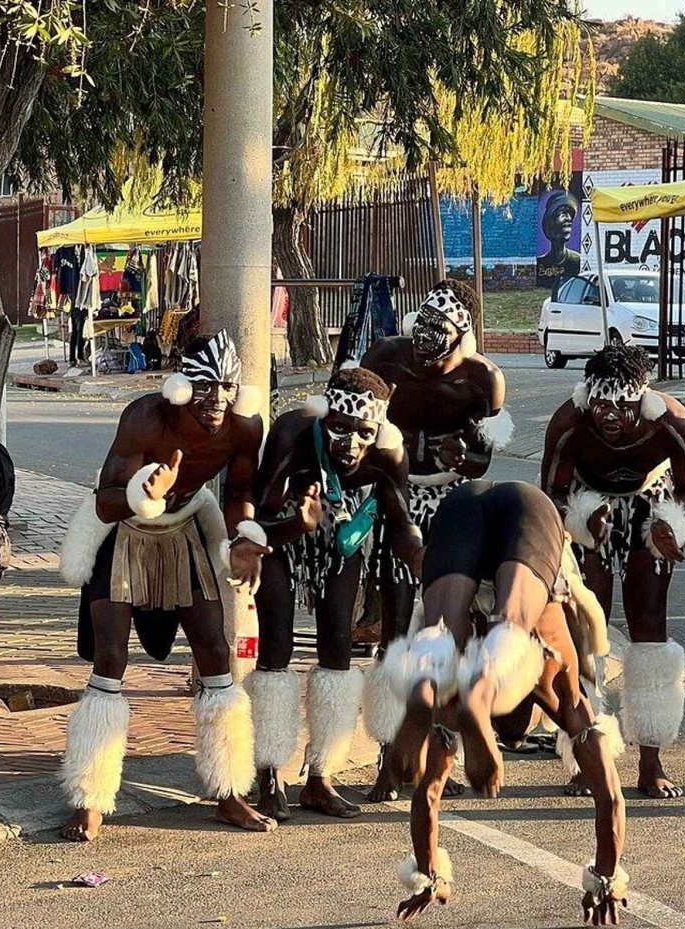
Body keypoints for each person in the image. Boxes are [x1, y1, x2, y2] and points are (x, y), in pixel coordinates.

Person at [375, 480, 629, 925]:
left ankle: (424, 684)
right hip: (526, 510)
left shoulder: (452, 703)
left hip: (463, 505)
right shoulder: (557, 683)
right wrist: (605, 878)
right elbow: (609, 796)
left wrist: (429, 874)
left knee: (442, 630)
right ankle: (484, 685)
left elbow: (428, 794)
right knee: (513, 619)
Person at [56, 329, 273, 841]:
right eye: (205, 387)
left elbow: (240, 491)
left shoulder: (244, 426)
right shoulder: (145, 419)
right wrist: (143, 493)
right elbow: (105, 499)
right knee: (111, 657)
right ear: (181, 387)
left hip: (186, 530)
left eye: (226, 387)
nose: (217, 399)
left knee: (215, 650)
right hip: (124, 531)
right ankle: (90, 796)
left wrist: (244, 536)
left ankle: (229, 791)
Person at [245, 367, 424, 822]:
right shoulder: (293, 434)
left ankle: (320, 777)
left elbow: (401, 524)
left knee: (339, 649)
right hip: (280, 535)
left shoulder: (388, 453)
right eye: (340, 429)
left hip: (341, 532)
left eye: (363, 432)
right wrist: (296, 524)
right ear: (324, 418)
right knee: (276, 646)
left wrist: (423, 558)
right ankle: (269, 775)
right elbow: (256, 521)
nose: (350, 443)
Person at [359, 278, 513, 801]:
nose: (426, 351)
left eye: (439, 339)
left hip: (452, 505)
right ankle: (389, 758)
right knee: (395, 627)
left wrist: (463, 457)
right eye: (421, 331)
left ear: (461, 337)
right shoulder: (386, 356)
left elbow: (483, 458)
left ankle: (442, 755)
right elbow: (350, 417)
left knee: (450, 629)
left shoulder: (483, 380)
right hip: (396, 498)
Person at [541, 343, 685, 798]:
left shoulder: (671, 423)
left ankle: (651, 760)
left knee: (650, 630)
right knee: (584, 634)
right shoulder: (569, 423)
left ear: (642, 401)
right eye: (601, 405)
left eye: (621, 407)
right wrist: (583, 521)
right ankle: (584, 756)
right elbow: (551, 493)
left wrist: (669, 524)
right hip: (587, 509)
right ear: (587, 398)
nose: (609, 416)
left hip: (650, 509)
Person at [536, 189, 582, 288]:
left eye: (570, 213)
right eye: (562, 213)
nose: (569, 218)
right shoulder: (541, 262)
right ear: (550, 223)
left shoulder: (577, 260)